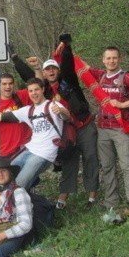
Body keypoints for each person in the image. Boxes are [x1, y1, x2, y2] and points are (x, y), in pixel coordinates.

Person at [77, 46, 129, 211]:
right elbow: (84, 68)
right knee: (108, 167)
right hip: (103, 129)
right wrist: (66, 50)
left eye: (114, 58)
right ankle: (111, 202)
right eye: (108, 58)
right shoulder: (101, 76)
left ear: (119, 59)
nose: (111, 61)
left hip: (120, 129)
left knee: (127, 166)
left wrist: (124, 104)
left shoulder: (127, 77)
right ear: (103, 60)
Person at [33, 36, 99, 209]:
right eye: (48, 70)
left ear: (58, 70)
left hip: (84, 125)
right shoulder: (45, 91)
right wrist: (17, 60)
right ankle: (63, 198)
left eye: (54, 68)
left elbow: (68, 64)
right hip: (66, 131)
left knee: (90, 158)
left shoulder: (68, 81)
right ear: (45, 74)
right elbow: (29, 80)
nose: (51, 71)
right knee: (69, 161)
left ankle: (92, 196)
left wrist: (67, 47)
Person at [0, 78, 70, 190]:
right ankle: (5, 204)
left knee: (18, 184)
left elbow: (67, 117)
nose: (34, 93)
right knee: (6, 176)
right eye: (31, 91)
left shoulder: (53, 105)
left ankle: (11, 205)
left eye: (36, 90)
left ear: (42, 89)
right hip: (29, 150)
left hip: (44, 154)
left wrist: (61, 111)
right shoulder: (28, 110)